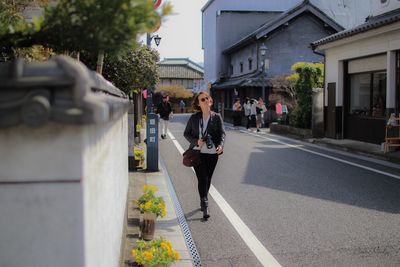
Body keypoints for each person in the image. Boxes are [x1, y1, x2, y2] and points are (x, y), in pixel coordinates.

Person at [184, 91, 225, 220]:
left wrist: (220, 145)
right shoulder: (194, 118)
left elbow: (222, 134)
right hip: (198, 153)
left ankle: (203, 199)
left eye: (207, 98)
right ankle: (205, 204)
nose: (206, 101)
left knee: (208, 179)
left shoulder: (217, 117)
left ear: (211, 101)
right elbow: (186, 133)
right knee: (203, 178)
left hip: (213, 154)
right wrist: (196, 141)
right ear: (198, 103)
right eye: (202, 99)